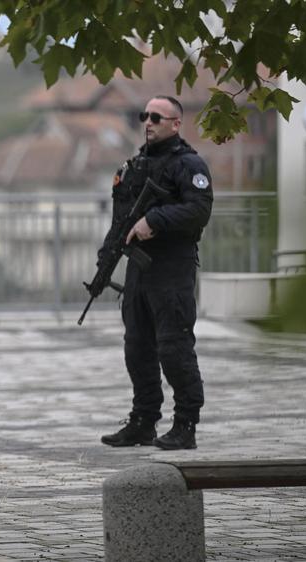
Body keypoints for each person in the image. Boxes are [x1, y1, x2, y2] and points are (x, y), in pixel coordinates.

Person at [99, 95, 213, 450]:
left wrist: (156, 220)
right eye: (144, 116)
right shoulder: (134, 166)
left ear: (176, 123)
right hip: (139, 270)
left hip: (171, 270)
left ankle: (185, 425)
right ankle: (143, 421)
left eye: (157, 117)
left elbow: (198, 211)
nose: (148, 122)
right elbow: (121, 219)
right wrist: (107, 256)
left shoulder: (189, 165)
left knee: (174, 349)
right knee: (137, 349)